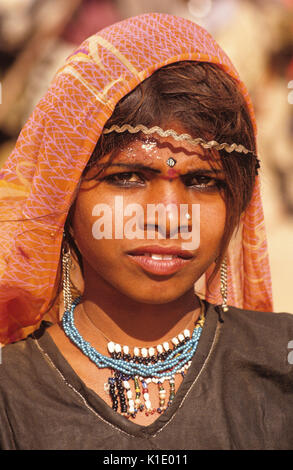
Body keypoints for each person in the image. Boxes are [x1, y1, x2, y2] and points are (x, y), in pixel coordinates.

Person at [0, 12, 292, 451]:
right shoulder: (11, 391)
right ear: (64, 195)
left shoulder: (281, 361)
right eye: (128, 177)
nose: (168, 215)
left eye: (202, 182)